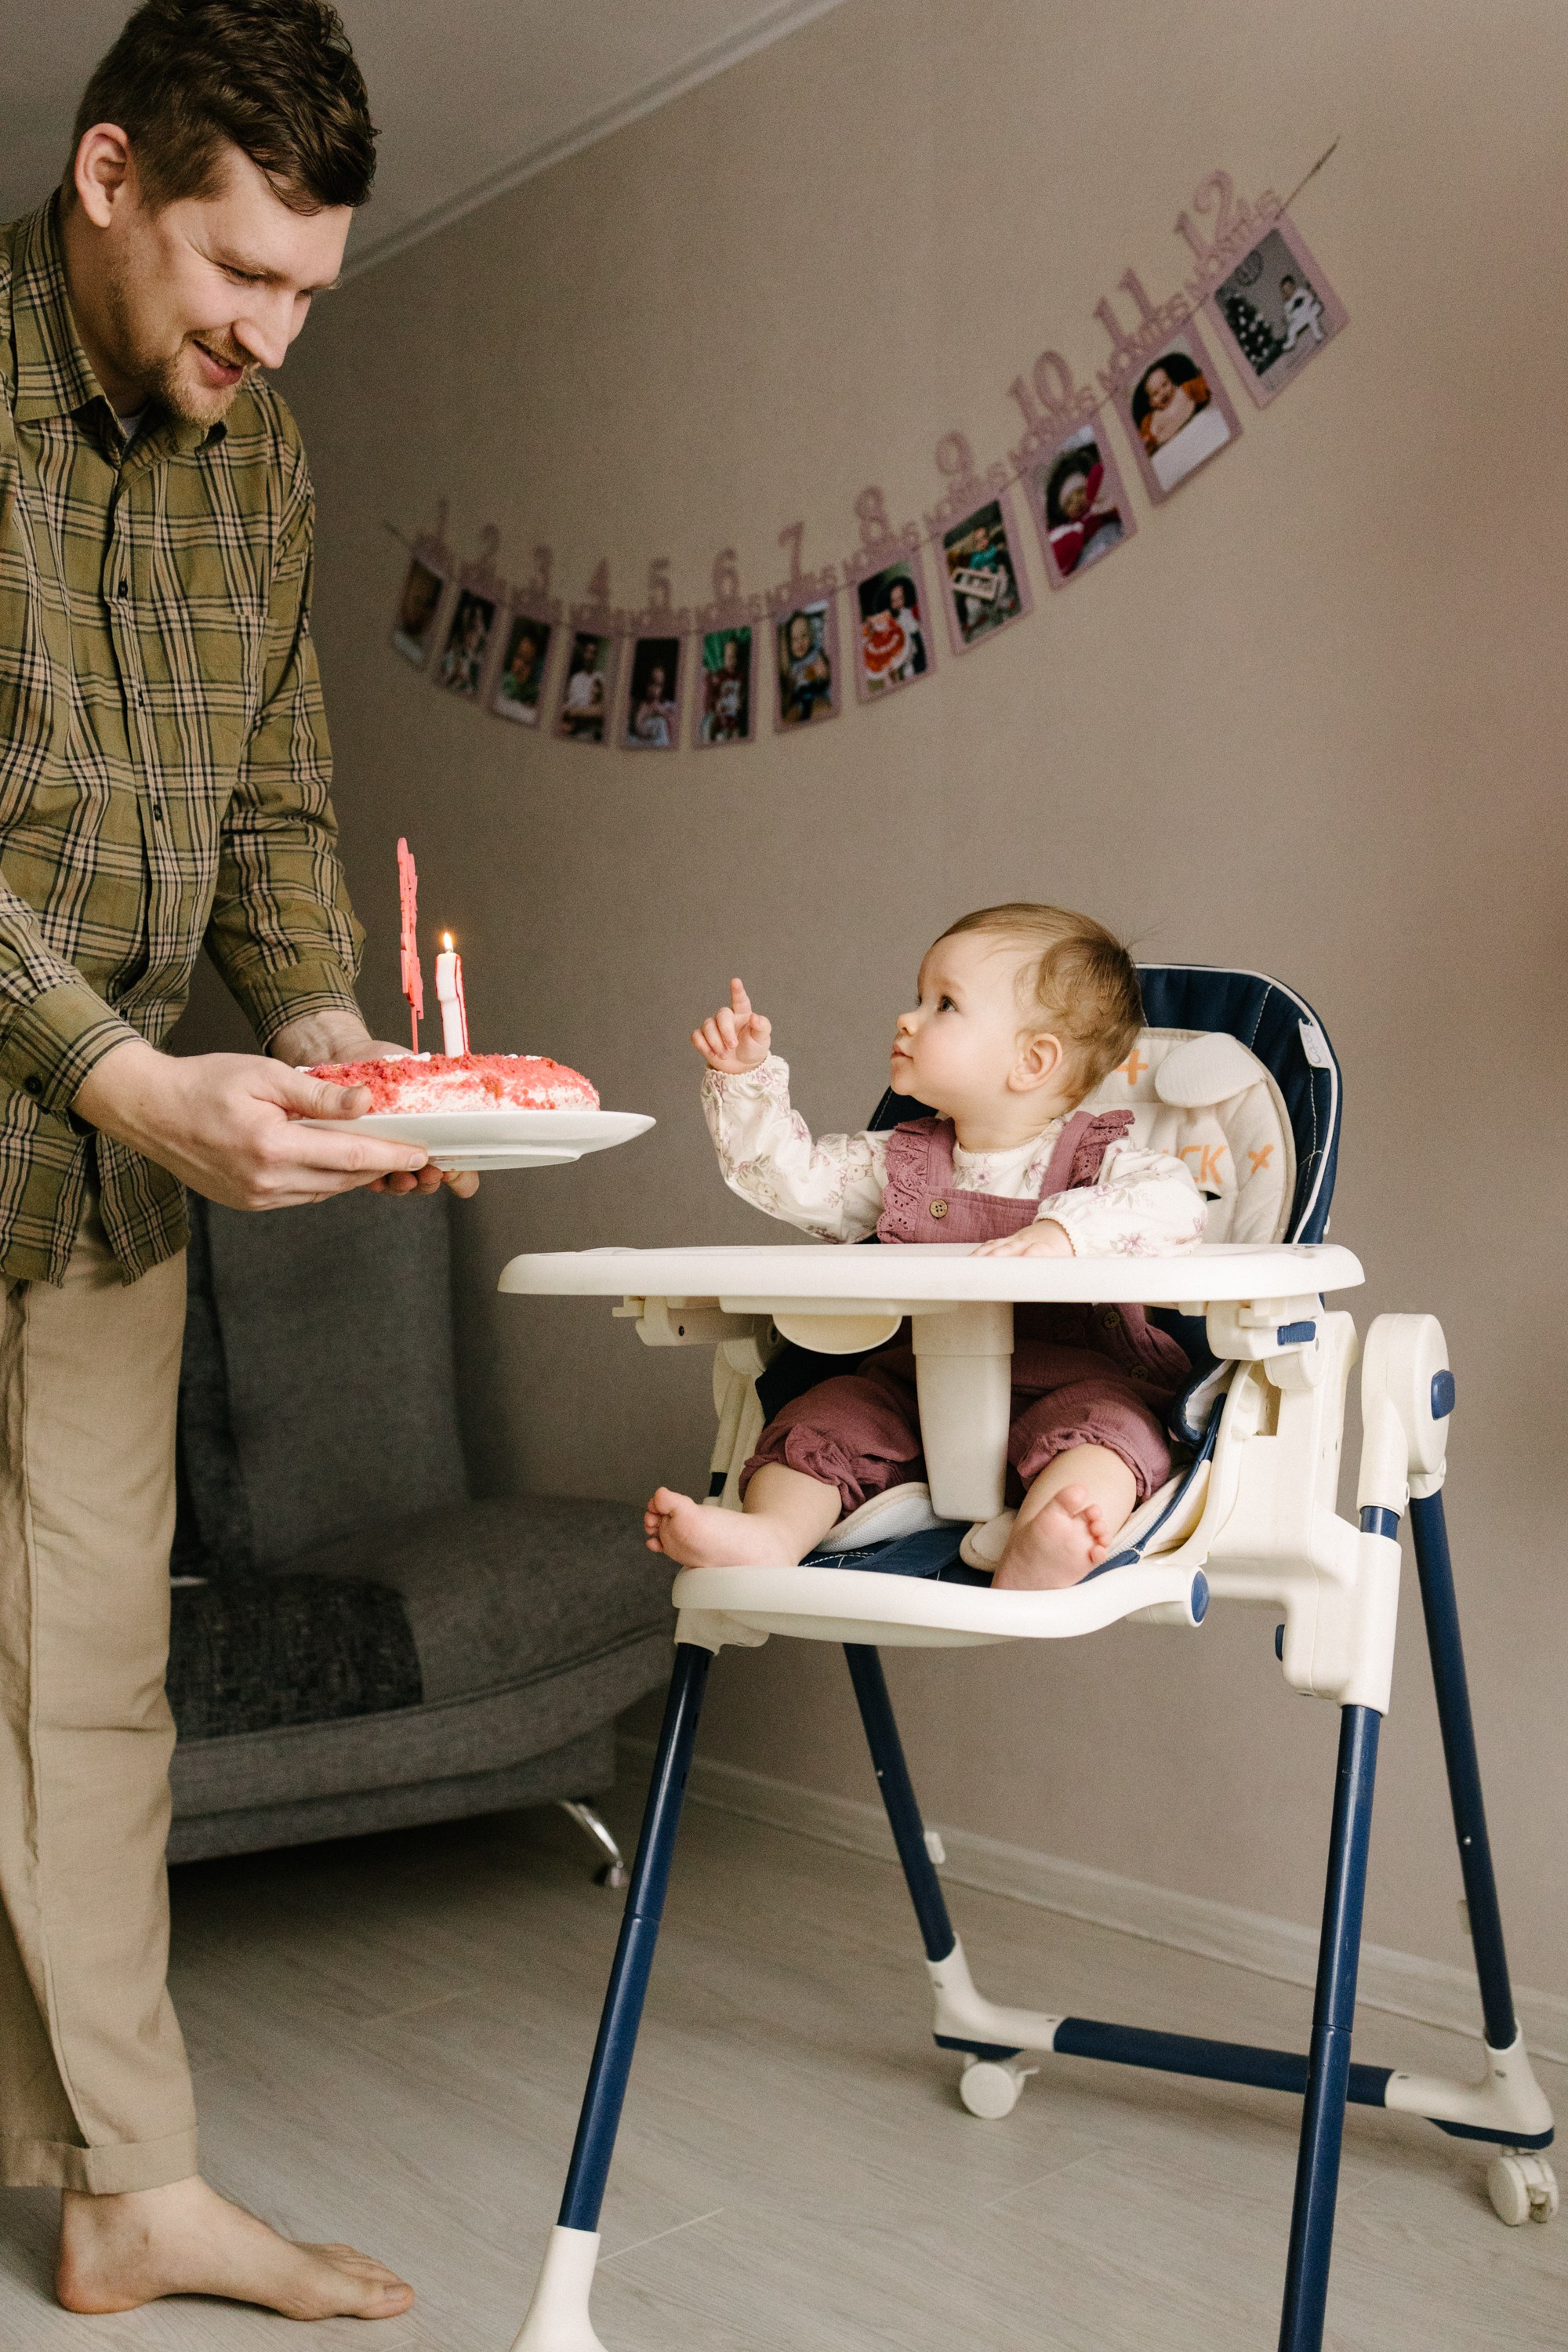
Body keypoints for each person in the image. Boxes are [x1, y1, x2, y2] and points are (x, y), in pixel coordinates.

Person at [0, 0, 474, 2324]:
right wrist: (115, 1070)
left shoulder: (259, 469)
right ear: (110, 180)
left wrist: (317, 1034)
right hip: (80, 1104)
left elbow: (278, 806)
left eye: (309, 292)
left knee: (86, 1676)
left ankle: (128, 2187)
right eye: (239, 275)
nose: (270, 336)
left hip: (94, 1197)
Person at [644, 906, 1206, 1589]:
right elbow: (794, 1182)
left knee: (1116, 1439)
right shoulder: (899, 1163)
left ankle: (1043, 1543)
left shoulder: (1098, 1161)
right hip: (914, 1393)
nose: (908, 1019)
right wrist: (744, 1081)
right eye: (918, 998)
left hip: (1078, 1381)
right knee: (824, 1420)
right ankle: (771, 1533)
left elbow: (1174, 1202)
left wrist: (1062, 1234)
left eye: (944, 1004)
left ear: (1032, 1061)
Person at [779, 607, 832, 723]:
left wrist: (824, 673)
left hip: (818, 693)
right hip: (799, 701)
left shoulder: (816, 653)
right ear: (789, 643)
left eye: (804, 636)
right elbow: (789, 688)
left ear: (810, 636)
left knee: (822, 708)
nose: (800, 642)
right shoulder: (792, 665)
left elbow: (826, 675)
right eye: (794, 639)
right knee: (788, 718)